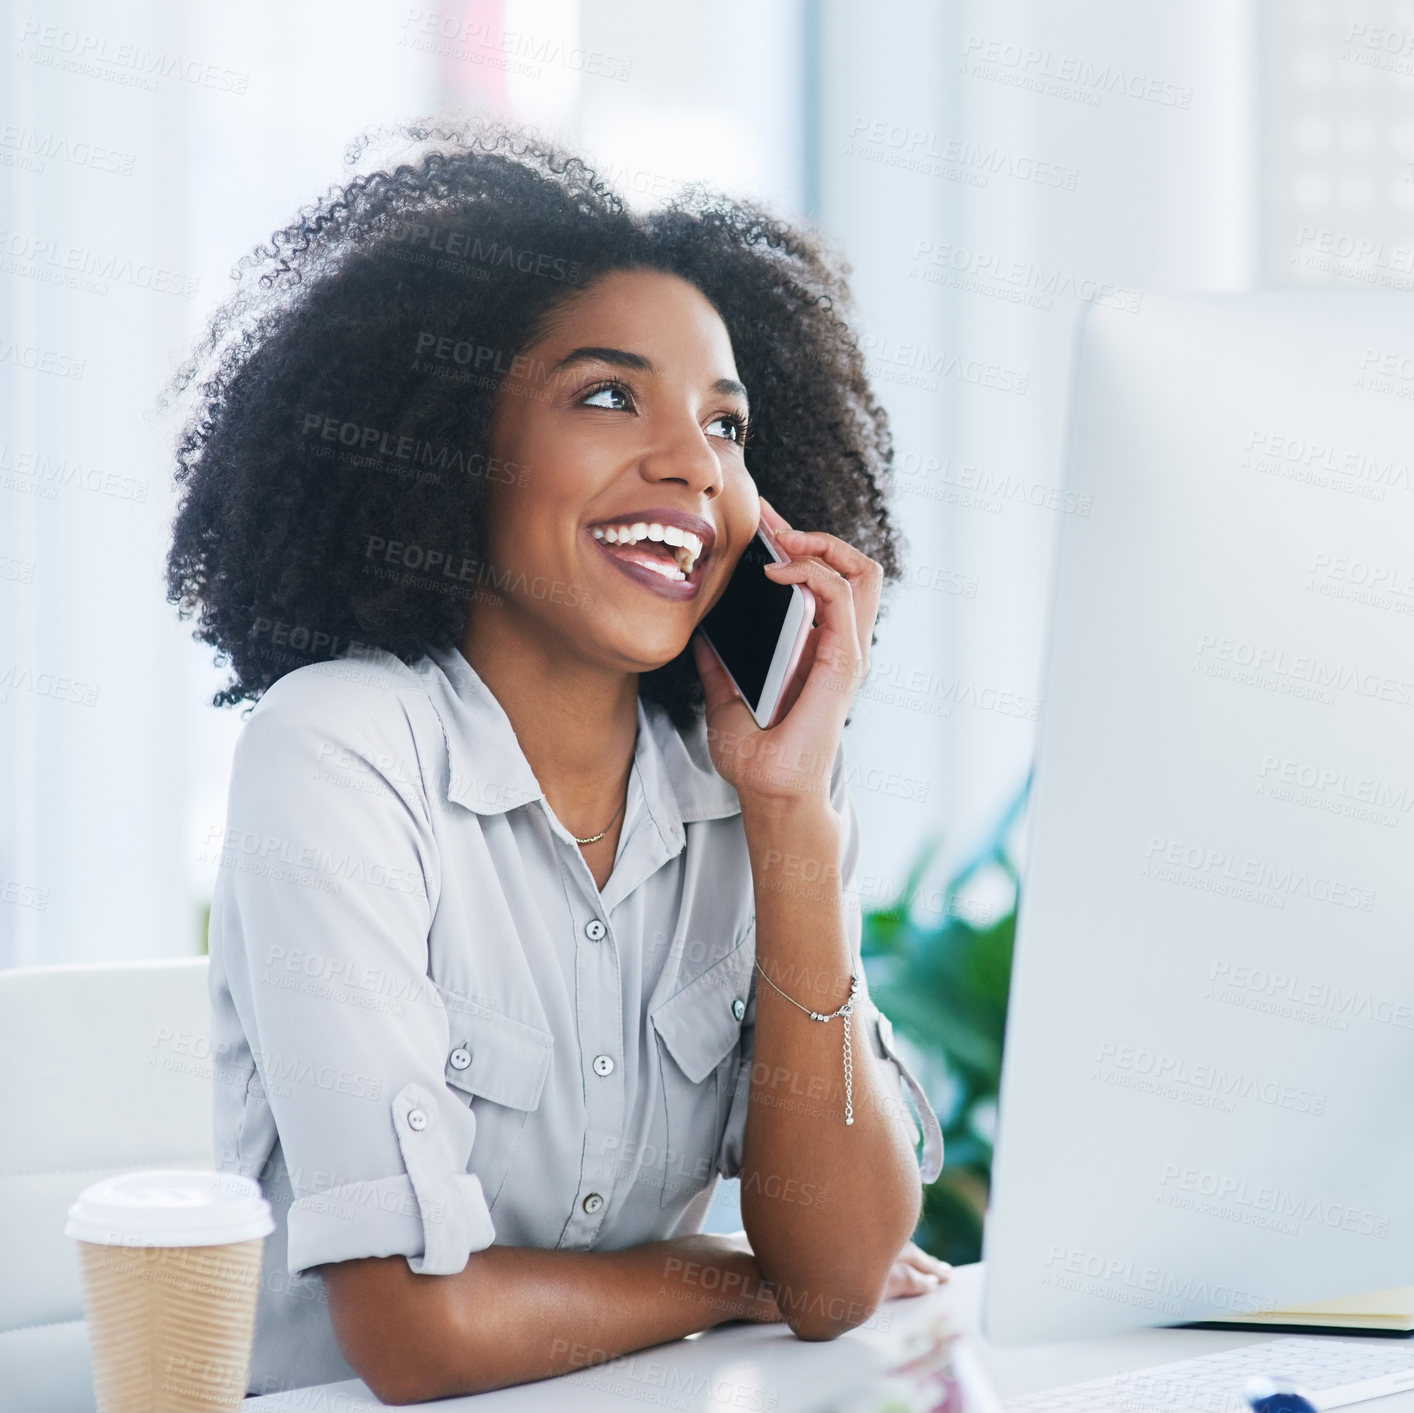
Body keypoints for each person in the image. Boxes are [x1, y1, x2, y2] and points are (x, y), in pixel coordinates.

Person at [165, 117, 946, 1405]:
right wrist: (730, 1277)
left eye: (730, 427)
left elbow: (842, 1263)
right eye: (606, 397)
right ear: (451, 444)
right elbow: (420, 1335)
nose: (693, 465)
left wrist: (792, 815)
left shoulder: (752, 774)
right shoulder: (344, 752)